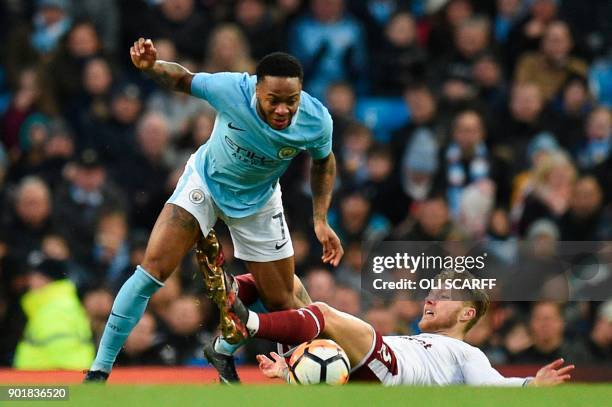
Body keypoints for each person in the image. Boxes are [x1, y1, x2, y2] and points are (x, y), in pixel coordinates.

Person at [84, 38, 343, 382]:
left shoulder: (316, 120)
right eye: (273, 100)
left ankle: (232, 354)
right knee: (153, 270)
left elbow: (324, 163)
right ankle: (99, 370)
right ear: (256, 90)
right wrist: (152, 67)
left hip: (259, 201)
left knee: (282, 301)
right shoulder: (231, 88)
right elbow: (182, 78)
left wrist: (321, 219)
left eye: (291, 101)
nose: (283, 110)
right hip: (204, 185)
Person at [212, 269, 574, 386]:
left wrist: (529, 385)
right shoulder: (417, 338)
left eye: (443, 296)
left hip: (391, 374)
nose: (429, 299)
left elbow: (490, 387)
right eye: (431, 293)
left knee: (322, 310)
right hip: (369, 367)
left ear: (467, 315)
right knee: (286, 282)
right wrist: (290, 369)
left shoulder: (466, 352)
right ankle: (228, 292)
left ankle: (247, 324)